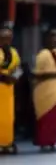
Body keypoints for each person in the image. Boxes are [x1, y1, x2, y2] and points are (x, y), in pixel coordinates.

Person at [0, 27, 20, 155]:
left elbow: (17, 68)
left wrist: (15, 77)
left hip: (9, 90)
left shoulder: (14, 52)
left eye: (8, 38)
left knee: (8, 118)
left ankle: (7, 142)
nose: (6, 41)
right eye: (3, 38)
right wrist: (4, 77)